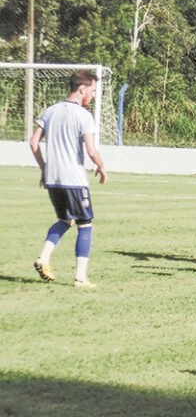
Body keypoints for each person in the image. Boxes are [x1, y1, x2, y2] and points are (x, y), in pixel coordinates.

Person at [29, 70, 108, 288]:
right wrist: (101, 166)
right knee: (85, 225)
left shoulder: (51, 110)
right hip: (74, 178)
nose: (93, 95)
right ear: (82, 89)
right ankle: (81, 278)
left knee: (66, 220)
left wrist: (44, 169)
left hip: (53, 178)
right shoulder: (83, 115)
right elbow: (91, 150)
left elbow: (34, 142)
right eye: (92, 91)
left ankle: (43, 258)